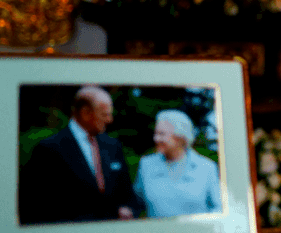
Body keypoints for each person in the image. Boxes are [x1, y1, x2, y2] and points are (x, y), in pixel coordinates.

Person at [19, 86, 140, 224]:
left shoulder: (113, 146)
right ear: (85, 113)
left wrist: (129, 210)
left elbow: (128, 195)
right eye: (105, 114)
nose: (110, 120)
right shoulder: (49, 149)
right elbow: (31, 205)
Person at [134, 109, 222, 217]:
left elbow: (218, 208)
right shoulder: (146, 165)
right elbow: (135, 204)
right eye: (156, 133)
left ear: (180, 138)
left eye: (162, 134)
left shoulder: (207, 167)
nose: (156, 139)